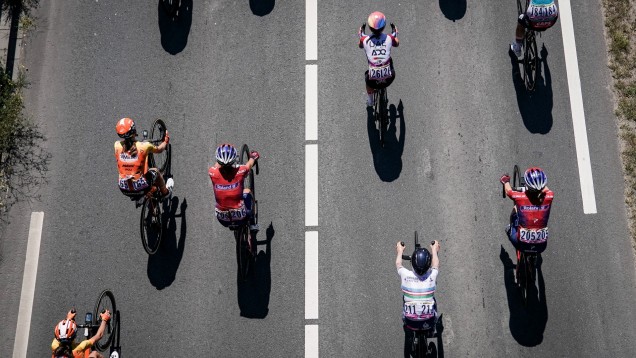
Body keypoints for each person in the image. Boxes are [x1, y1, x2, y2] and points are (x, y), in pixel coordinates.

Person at [114, 117, 173, 198]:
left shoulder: (116, 145)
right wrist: (165, 141)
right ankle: (165, 193)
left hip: (124, 189)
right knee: (156, 171)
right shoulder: (144, 146)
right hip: (140, 187)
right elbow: (160, 149)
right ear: (134, 130)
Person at [500, 167, 554, 253]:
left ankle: (510, 229)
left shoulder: (518, 197)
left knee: (515, 210)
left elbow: (508, 190)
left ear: (527, 185)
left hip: (520, 243)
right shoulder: (550, 196)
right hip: (542, 246)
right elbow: (546, 189)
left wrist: (505, 180)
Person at [208, 143, 260, 232]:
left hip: (222, 219)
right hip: (242, 216)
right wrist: (253, 157)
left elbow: (216, 165)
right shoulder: (241, 171)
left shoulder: (212, 172)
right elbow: (249, 165)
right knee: (247, 191)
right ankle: (252, 224)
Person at [396, 240, 441, 332]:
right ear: (428, 265)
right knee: (433, 301)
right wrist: (434, 250)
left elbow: (398, 264)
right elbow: (436, 264)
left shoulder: (405, 274)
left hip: (410, 323)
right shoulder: (432, 275)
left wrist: (400, 251)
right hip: (429, 322)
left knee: (405, 298)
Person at [358, 11, 399, 107]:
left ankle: (370, 100)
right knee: (390, 60)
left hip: (372, 80)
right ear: (384, 26)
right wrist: (395, 33)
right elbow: (396, 43)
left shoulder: (364, 39)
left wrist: (361, 34)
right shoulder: (389, 38)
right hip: (390, 77)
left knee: (367, 76)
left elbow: (360, 45)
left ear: (369, 27)